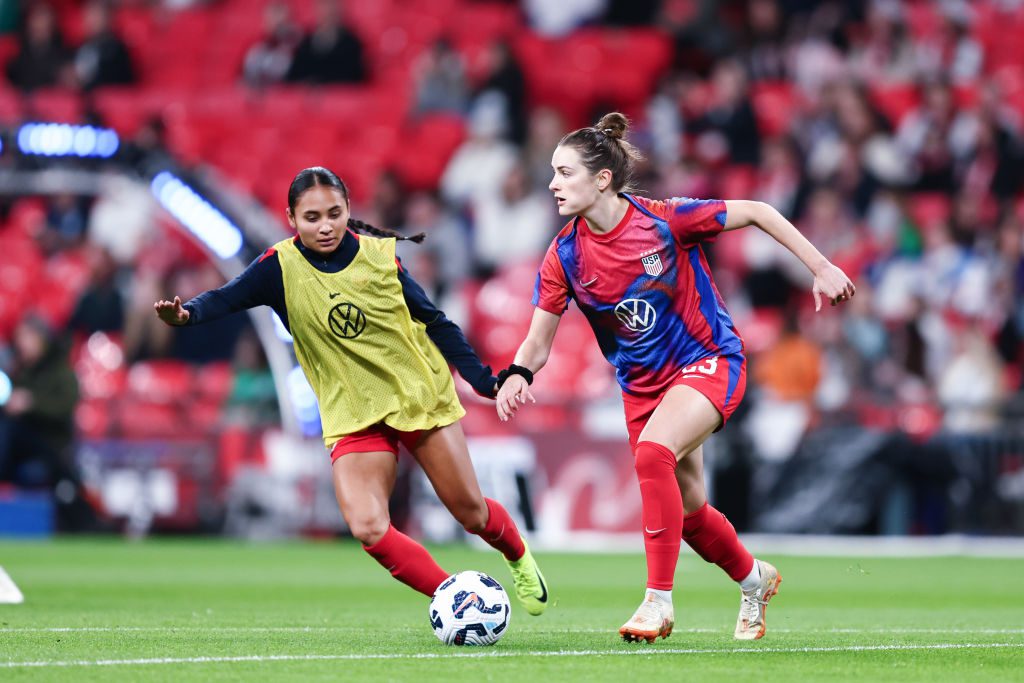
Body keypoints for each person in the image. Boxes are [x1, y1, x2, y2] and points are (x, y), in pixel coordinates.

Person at [495, 113, 854, 642]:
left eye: (564, 172)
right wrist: (518, 372)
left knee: (651, 455)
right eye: (553, 171)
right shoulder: (564, 255)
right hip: (642, 387)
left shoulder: (665, 220)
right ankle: (755, 579)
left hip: (709, 360)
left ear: (602, 180)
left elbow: (756, 211)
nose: (552, 183)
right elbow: (538, 340)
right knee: (687, 515)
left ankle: (657, 603)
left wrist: (820, 267)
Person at [155, 167, 548, 614]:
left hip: (416, 396)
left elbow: (435, 320)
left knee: (472, 513)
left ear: (348, 211)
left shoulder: (381, 258)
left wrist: (481, 380)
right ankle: (459, 598)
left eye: (334, 213)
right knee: (368, 527)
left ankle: (517, 555)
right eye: (312, 217)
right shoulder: (279, 267)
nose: (325, 226)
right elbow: (226, 297)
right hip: (352, 410)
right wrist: (186, 316)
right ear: (291, 218)